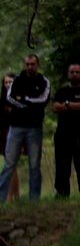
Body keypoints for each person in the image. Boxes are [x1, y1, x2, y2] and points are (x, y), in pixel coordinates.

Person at [0, 54, 51, 202]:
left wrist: (24, 100)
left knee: (34, 165)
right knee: (9, 163)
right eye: (27, 64)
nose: (30, 67)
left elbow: (43, 100)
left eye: (33, 64)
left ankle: (34, 199)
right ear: (24, 65)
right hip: (16, 127)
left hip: (34, 127)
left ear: (37, 65)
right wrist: (29, 104)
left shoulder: (43, 81)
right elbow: (10, 98)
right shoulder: (17, 81)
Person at [52, 63, 80, 197]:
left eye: (77, 72)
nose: (74, 74)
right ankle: (62, 193)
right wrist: (73, 106)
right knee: (62, 166)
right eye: (72, 72)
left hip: (79, 135)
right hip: (63, 134)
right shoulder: (62, 91)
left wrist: (67, 104)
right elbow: (55, 107)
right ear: (68, 74)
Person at [0, 72, 20, 200]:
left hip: (17, 134)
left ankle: (12, 195)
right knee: (10, 164)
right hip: (5, 134)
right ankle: (13, 195)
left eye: (10, 82)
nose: (8, 85)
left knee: (12, 165)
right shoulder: (1, 101)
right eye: (6, 82)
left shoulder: (19, 99)